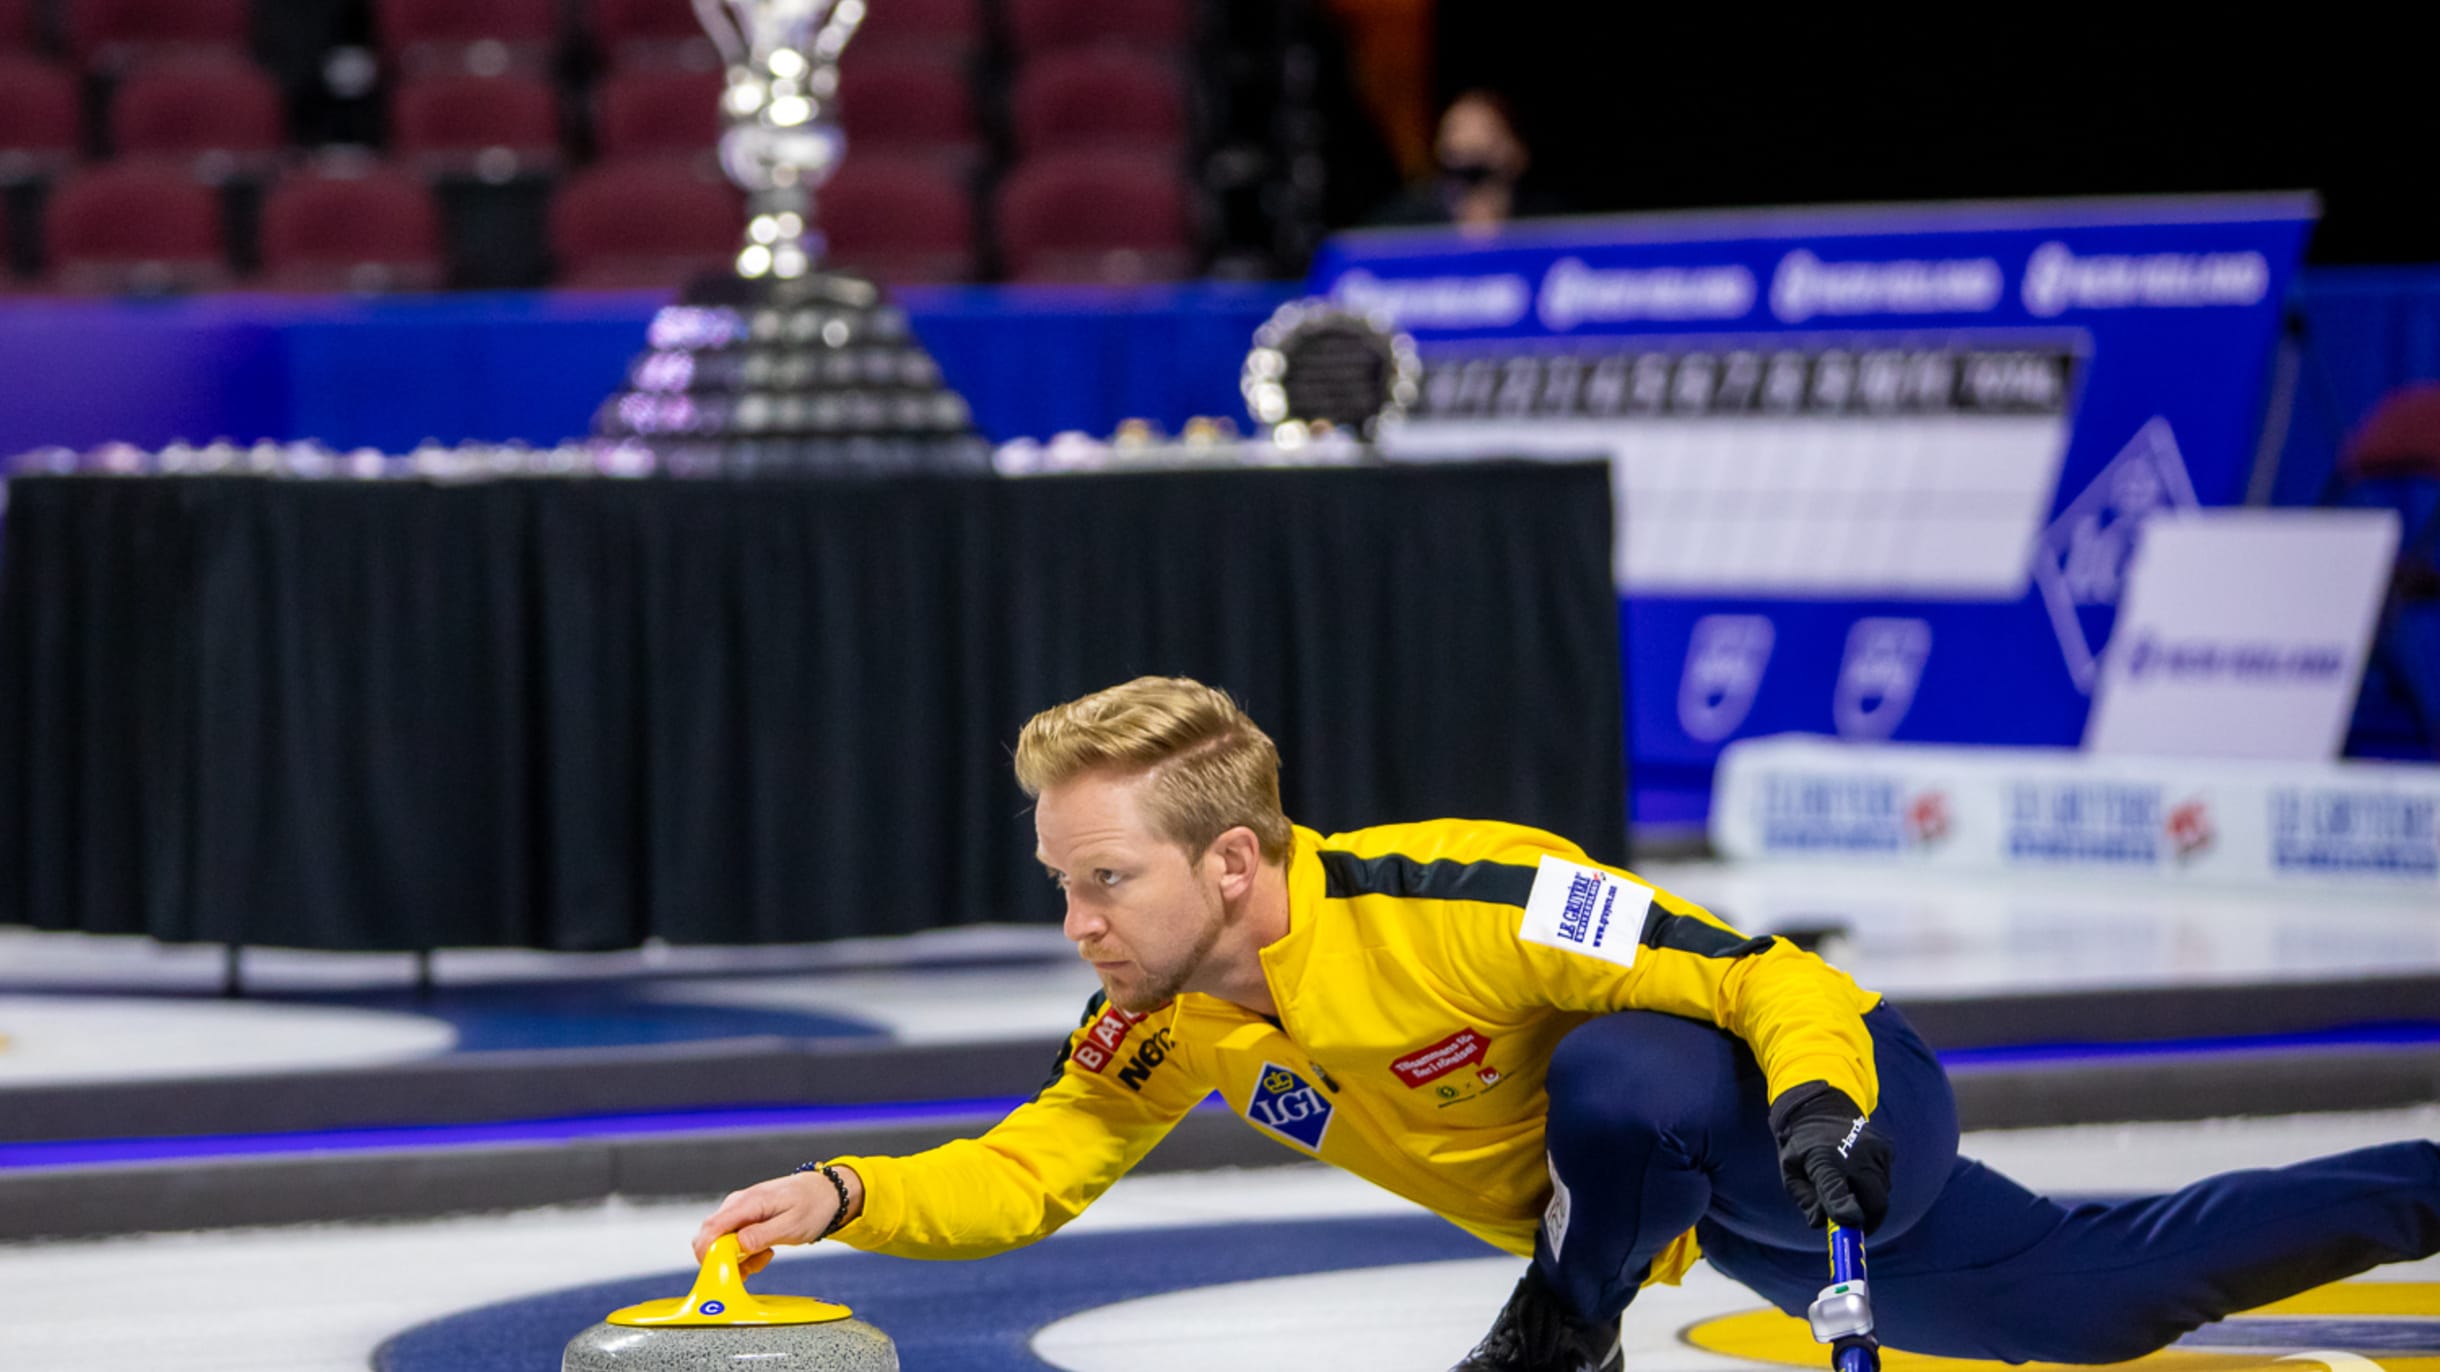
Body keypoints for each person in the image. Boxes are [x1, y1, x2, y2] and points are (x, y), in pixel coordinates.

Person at [695, 677, 2440, 1371]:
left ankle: (1561, 1327)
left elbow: (1766, 978)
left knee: (1624, 1060)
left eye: (1101, 880)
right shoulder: (1155, 1022)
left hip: (1819, 1111)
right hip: (1673, 1198)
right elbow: (1033, 1168)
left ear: (1234, 859)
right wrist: (847, 1192)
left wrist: (1829, 1112)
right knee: (2090, 1304)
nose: (1075, 924)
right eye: (1059, 881)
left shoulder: (1473, 897)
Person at [1369, 88, 1567, 231]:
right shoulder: (1401, 222)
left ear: (1518, 154)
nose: (1469, 145)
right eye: (1455, 132)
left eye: (1488, 133)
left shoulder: (1551, 223)